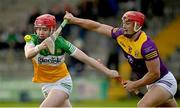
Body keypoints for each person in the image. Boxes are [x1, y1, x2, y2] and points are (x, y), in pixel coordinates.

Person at [64, 11, 178, 107]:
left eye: (128, 23)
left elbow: (155, 74)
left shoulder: (147, 45)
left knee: (142, 105)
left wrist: (135, 84)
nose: (124, 26)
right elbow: (97, 26)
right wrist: (74, 20)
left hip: (164, 82)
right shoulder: (121, 35)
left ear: (137, 25)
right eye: (124, 22)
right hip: (152, 85)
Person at [24, 14, 119, 107]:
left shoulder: (62, 43)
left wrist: (108, 71)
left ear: (52, 29)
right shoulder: (32, 40)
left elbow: (85, 58)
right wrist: (39, 47)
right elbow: (28, 54)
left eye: (44, 29)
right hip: (45, 84)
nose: (41, 32)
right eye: (39, 29)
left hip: (61, 82)